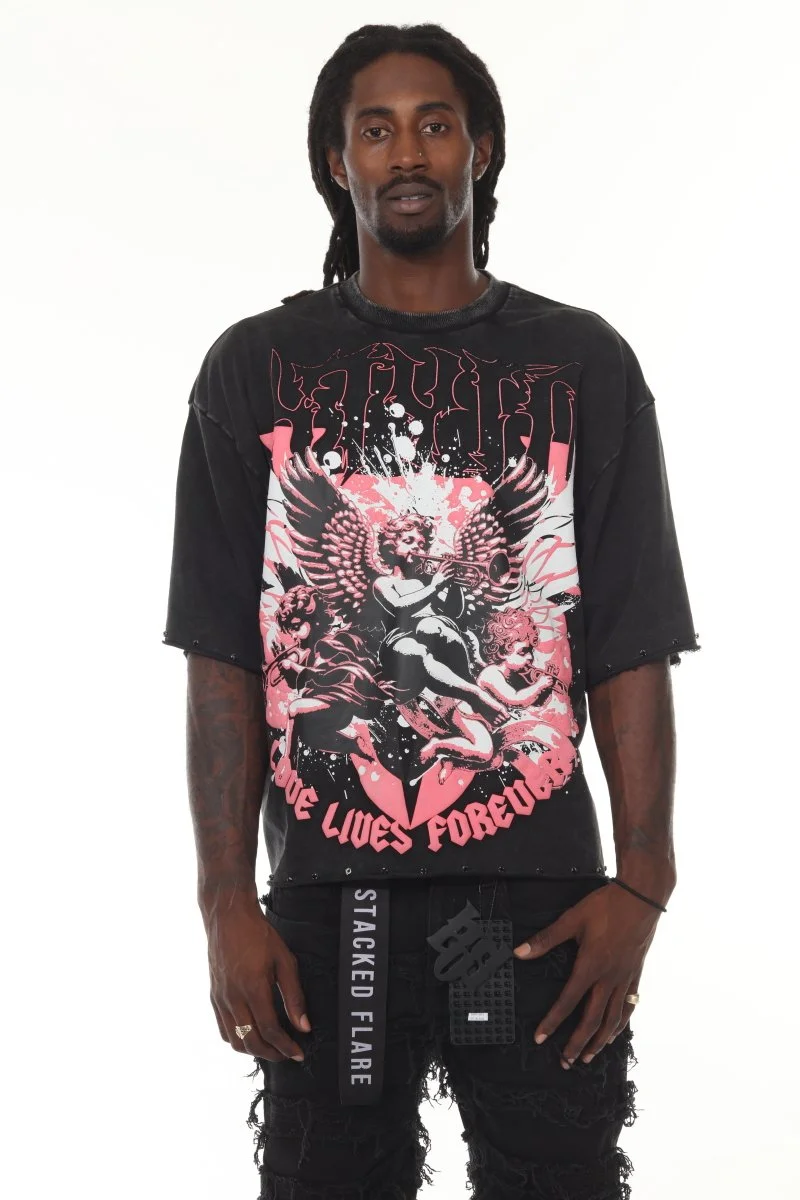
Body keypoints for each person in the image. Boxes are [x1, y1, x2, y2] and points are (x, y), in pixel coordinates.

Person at [162, 22, 699, 1200]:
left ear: (480, 150)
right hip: (328, 912)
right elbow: (221, 655)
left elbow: (631, 637)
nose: (405, 151)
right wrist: (221, 902)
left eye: (434, 125)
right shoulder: (254, 368)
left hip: (535, 908)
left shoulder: (580, 363)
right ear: (335, 162)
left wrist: (643, 881)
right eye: (375, 129)